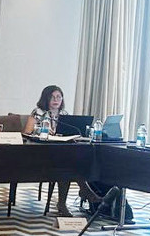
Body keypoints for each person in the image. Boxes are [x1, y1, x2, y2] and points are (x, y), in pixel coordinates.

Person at [22, 85, 102, 216]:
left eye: (59, 97)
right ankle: (81, 192)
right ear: (46, 98)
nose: (56, 100)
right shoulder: (38, 112)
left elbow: (69, 133)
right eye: (52, 97)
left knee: (70, 162)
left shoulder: (64, 115)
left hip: (60, 154)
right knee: (67, 164)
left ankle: (67, 201)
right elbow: (26, 133)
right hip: (40, 153)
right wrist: (41, 131)